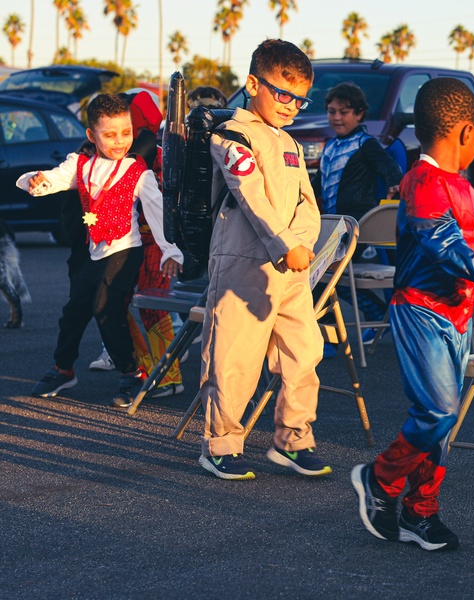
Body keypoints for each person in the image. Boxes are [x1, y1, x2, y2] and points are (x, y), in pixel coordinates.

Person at [350, 77, 474, 552]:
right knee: (438, 412)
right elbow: (444, 246)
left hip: (457, 319)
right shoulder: (422, 180)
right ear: (465, 131)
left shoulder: (460, 185)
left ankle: (421, 510)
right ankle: (380, 478)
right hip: (421, 311)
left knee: (441, 424)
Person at [198, 39, 329, 481]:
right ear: (253, 83)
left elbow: (309, 202)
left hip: (293, 264)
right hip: (242, 259)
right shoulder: (231, 134)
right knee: (234, 352)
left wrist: (303, 245)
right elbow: (249, 192)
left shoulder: (289, 141)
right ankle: (221, 444)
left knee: (303, 351)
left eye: (300, 98)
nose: (291, 105)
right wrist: (283, 243)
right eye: (282, 93)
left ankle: (293, 438)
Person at [18, 93, 184, 407]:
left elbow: (156, 211)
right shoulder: (79, 164)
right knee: (74, 311)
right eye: (109, 135)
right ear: (92, 136)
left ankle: (132, 374)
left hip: (126, 250)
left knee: (105, 306)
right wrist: (35, 181)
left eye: (126, 133)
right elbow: (53, 179)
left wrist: (170, 250)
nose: (120, 141)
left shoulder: (138, 171)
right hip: (95, 251)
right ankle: (63, 368)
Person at [317, 81, 402, 221]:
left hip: (358, 222)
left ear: (359, 114)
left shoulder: (365, 143)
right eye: (332, 112)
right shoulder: (330, 146)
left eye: (343, 112)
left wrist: (395, 184)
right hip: (331, 221)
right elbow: (320, 181)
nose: (337, 117)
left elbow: (389, 167)